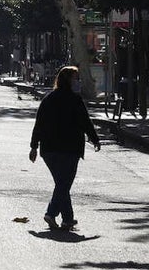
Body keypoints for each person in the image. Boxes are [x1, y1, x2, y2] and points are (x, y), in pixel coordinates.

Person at [29, 65, 101, 231]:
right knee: (64, 184)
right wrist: (95, 140)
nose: (78, 82)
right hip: (70, 149)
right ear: (68, 80)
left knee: (62, 183)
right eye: (76, 78)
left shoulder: (48, 99)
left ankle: (68, 219)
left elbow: (38, 125)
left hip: (49, 150)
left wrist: (34, 147)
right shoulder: (75, 100)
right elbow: (86, 122)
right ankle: (51, 213)